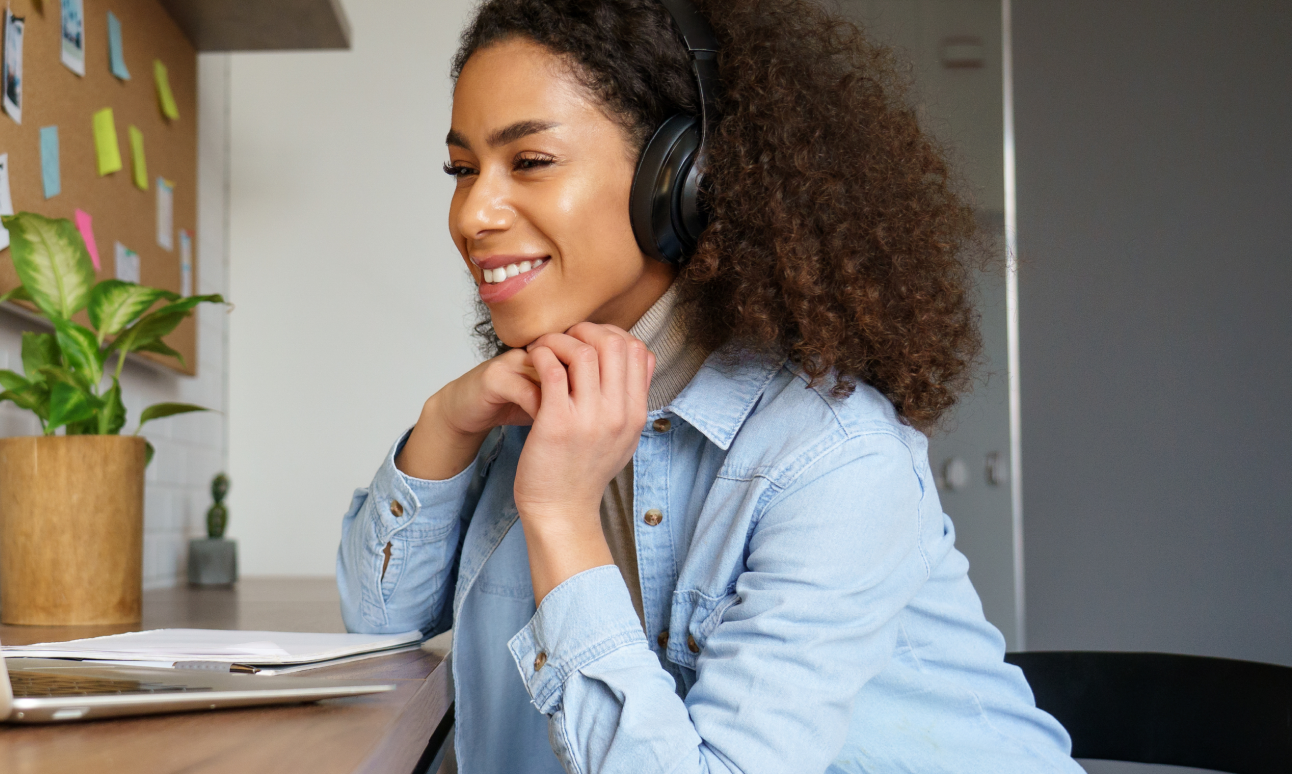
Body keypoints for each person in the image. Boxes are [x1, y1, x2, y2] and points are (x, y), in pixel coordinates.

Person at [336, 0, 1082, 771]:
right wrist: (447, 421)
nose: (473, 213)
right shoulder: (535, 401)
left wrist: (559, 514)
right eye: (463, 170)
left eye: (529, 161)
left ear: (680, 178)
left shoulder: (836, 459)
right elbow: (378, 621)